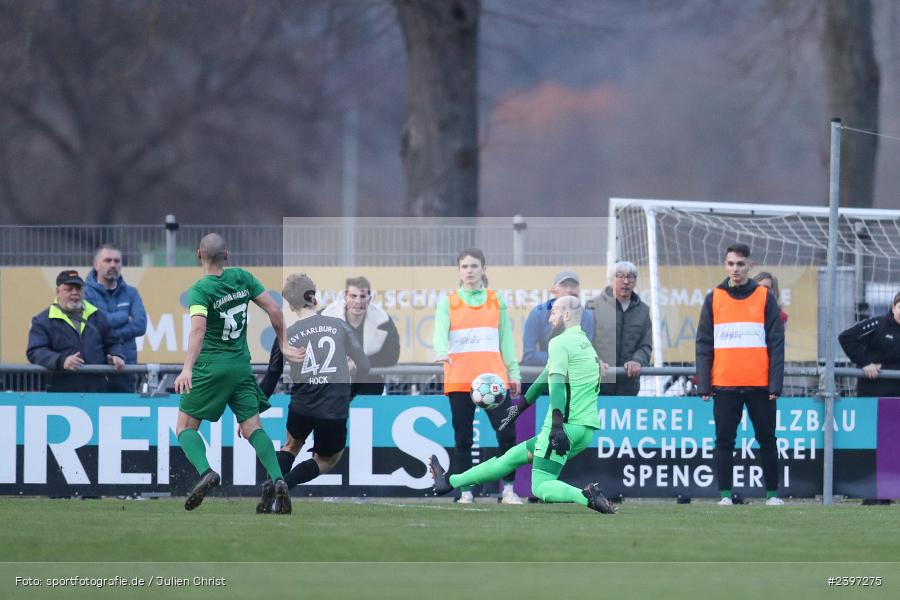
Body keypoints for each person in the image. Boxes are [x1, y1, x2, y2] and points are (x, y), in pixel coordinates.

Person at [429, 295, 617, 514]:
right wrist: (517, 409)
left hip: (563, 427)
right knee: (508, 459)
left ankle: (586, 496)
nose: (550, 319)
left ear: (567, 315)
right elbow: (541, 382)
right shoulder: (585, 346)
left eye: (554, 312)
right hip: (584, 429)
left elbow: (556, 385)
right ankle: (449, 482)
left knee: (540, 486)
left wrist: (557, 425)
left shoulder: (559, 342)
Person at [173, 233, 296, 513]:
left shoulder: (200, 290)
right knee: (253, 428)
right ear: (226, 255)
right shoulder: (243, 278)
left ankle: (206, 472)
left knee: (184, 427)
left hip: (210, 368)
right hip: (241, 367)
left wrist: (187, 368)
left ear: (198, 254)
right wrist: (285, 345)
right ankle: (278, 479)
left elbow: (198, 329)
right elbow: (274, 309)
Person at [257, 274, 370, 512]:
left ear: (290, 304)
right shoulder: (339, 326)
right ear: (313, 298)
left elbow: (272, 376)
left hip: (302, 405)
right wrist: (349, 395)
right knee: (328, 459)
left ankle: (273, 483)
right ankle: (285, 484)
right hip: (334, 406)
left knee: (290, 446)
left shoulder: (286, 335)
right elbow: (365, 366)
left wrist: (253, 410)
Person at [695, 243, 785, 505]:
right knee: (724, 441)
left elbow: (776, 344)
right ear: (725, 265)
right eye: (731, 263)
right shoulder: (713, 297)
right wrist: (704, 383)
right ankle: (724, 496)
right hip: (724, 383)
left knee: (767, 440)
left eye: (740, 264)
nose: (736, 268)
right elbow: (703, 343)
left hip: (760, 385)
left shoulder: (765, 297)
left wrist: (775, 384)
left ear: (750, 266)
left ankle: (772, 495)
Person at [433, 248, 523, 504]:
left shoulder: (496, 300)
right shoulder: (448, 301)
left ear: (483, 269)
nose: (470, 271)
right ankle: (465, 492)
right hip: (460, 379)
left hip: (494, 382)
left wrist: (513, 372)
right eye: (465, 266)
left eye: (474, 266)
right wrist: (441, 351)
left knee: (507, 434)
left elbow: (506, 339)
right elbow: (440, 332)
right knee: (463, 439)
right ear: (459, 270)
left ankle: (508, 489)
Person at [27, 270, 126, 392]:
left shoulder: (97, 315)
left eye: (78, 289)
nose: (75, 293)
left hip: (98, 392)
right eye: (69, 289)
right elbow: (35, 351)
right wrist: (61, 361)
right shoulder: (43, 320)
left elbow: (113, 342)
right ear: (57, 292)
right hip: (61, 392)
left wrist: (116, 355)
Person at [320, 276, 399, 396]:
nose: (358, 301)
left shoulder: (383, 320)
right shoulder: (325, 316)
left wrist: (358, 363)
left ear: (369, 299)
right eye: (353, 296)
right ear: (345, 297)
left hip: (369, 386)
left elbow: (392, 355)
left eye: (362, 296)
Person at [83, 244, 148, 392]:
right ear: (96, 264)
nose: (113, 264)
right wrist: (124, 317)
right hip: (95, 366)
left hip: (126, 365)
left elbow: (140, 325)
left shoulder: (131, 292)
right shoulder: (85, 293)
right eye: (108, 260)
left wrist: (107, 332)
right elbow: (92, 326)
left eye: (117, 261)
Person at [588, 261, 652, 396]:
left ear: (635, 282)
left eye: (631, 276)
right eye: (620, 276)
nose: (626, 281)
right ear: (611, 280)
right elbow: (582, 342)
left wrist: (637, 361)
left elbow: (645, 345)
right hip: (595, 384)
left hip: (629, 387)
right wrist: (593, 361)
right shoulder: (593, 306)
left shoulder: (643, 311)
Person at [521, 270, 594, 366]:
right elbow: (529, 355)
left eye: (573, 286)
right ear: (554, 290)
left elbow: (584, 351)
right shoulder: (537, 314)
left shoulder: (586, 316)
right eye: (564, 285)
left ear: (579, 290)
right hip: (544, 373)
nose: (569, 290)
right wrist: (563, 358)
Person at [838, 291, 900, 397]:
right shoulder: (879, 324)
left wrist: (887, 368)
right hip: (872, 395)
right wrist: (865, 362)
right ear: (893, 308)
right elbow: (846, 338)